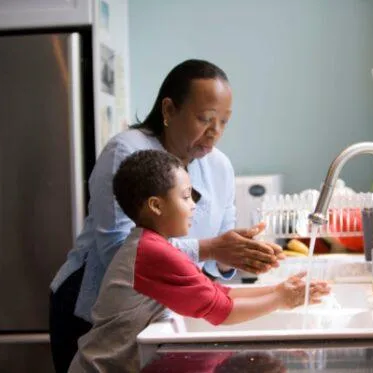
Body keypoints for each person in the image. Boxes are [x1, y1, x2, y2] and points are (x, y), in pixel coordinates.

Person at [49, 59, 284, 373]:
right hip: (90, 311)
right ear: (169, 110)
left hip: (158, 312)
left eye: (224, 122)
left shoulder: (219, 167)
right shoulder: (127, 151)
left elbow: (217, 262)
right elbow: (118, 252)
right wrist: (212, 248)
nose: (214, 132)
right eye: (205, 118)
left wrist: (241, 254)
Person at [67, 150, 330, 373]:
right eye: (185, 196)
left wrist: (279, 290)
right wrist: (282, 299)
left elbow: (219, 292)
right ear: (156, 206)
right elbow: (223, 311)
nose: (193, 205)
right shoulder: (152, 252)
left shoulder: (153, 245)